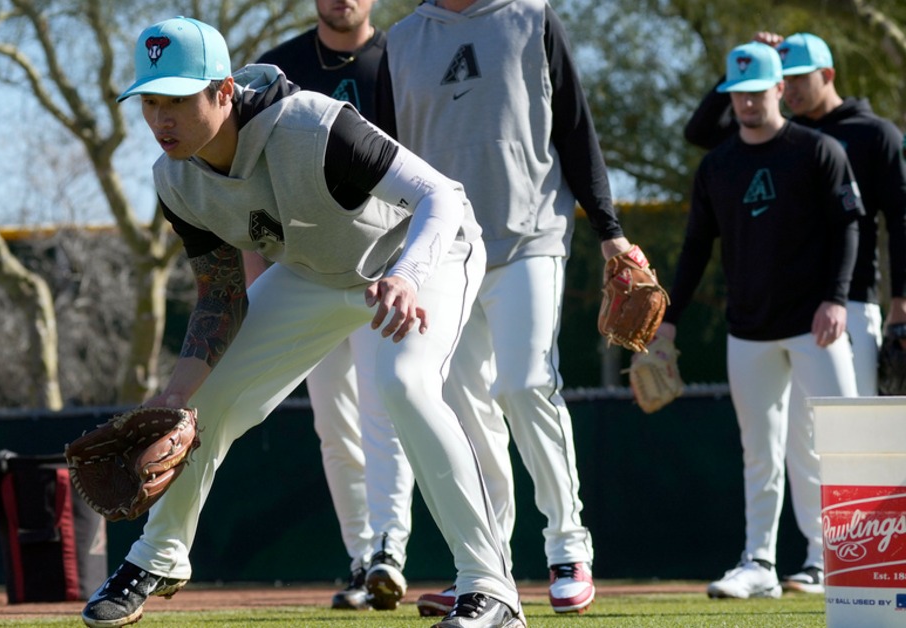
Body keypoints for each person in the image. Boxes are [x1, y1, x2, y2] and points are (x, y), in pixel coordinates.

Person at [82, 16, 527, 628]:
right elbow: (220, 295)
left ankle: (490, 587)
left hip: (422, 253)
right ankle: (157, 557)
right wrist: (177, 395)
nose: (162, 119)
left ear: (223, 91)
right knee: (201, 406)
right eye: (150, 101)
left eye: (179, 100)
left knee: (404, 384)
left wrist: (407, 275)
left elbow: (441, 197)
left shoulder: (311, 124)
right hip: (316, 273)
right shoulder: (175, 180)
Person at [376, 0, 637, 615]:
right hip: (444, 253)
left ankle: (567, 546)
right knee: (465, 411)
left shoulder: (532, 18)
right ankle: (488, 569)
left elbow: (575, 129)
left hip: (530, 236)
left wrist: (610, 231)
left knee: (525, 385)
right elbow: (384, 160)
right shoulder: (401, 40)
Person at [683, 31, 906, 593]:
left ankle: (858, 560)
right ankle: (804, 558)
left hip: (848, 302)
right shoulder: (747, 146)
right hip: (777, 314)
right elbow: (701, 133)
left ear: (820, 77)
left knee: (848, 437)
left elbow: (891, 221)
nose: (791, 91)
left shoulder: (866, 136)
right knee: (787, 443)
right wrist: (740, 68)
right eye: (743, 89)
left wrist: (898, 302)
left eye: (794, 79)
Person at [251, 0, 417, 611]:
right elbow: (251, 182)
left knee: (384, 409)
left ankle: (388, 551)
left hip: (385, 265)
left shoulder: (403, 59)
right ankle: (361, 559)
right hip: (308, 271)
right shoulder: (278, 68)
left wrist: (416, 270)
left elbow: (428, 178)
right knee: (334, 424)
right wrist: (253, 288)